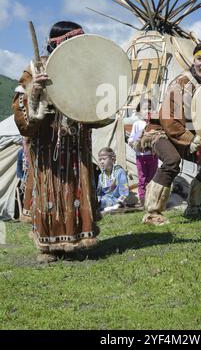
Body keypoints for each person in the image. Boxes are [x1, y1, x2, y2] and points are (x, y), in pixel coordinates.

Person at [12, 21, 99, 262]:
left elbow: (98, 104)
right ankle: (47, 247)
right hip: (47, 143)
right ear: (59, 44)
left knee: (74, 191)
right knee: (49, 194)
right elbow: (21, 112)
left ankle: (75, 241)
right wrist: (35, 92)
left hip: (76, 143)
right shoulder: (34, 68)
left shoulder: (85, 70)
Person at [142, 42, 201, 225]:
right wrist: (190, 139)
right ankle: (152, 213)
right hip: (162, 132)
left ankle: (194, 207)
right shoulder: (181, 83)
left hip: (192, 137)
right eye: (200, 59)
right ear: (193, 61)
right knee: (172, 160)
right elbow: (169, 119)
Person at [128, 100, 158, 206]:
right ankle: (142, 198)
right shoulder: (137, 124)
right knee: (142, 178)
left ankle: (152, 198)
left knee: (153, 177)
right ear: (139, 112)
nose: (147, 111)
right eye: (144, 109)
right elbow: (131, 139)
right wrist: (136, 143)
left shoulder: (155, 124)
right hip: (140, 157)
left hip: (153, 156)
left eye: (149, 108)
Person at [96, 147, 130, 212]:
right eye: (100, 160)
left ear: (112, 159)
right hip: (104, 201)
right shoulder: (101, 176)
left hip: (116, 201)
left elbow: (124, 191)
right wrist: (98, 201)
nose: (102, 162)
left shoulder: (119, 172)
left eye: (104, 159)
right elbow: (99, 193)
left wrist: (119, 203)